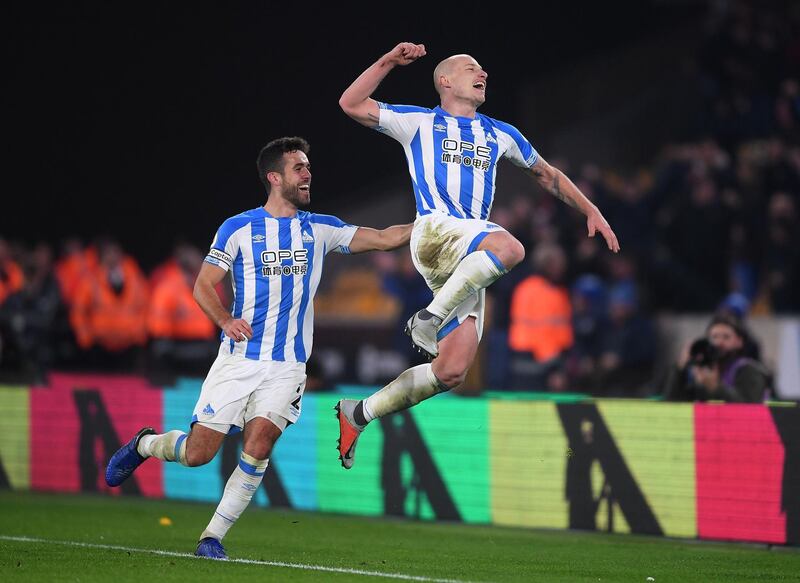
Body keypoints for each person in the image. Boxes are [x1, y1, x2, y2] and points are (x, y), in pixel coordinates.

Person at [104, 137, 412, 560]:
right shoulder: (238, 228)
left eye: (308, 166)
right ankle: (144, 444)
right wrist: (226, 320)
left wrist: (434, 225)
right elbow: (202, 285)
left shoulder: (319, 228)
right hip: (239, 361)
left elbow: (381, 238)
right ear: (274, 177)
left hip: (287, 366)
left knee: (260, 443)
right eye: (299, 168)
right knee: (198, 454)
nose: (308, 174)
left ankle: (211, 537)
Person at [335, 42, 620, 468]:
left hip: (467, 254)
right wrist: (390, 62)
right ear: (445, 81)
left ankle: (359, 413)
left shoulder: (500, 133)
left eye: (484, 68)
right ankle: (428, 319)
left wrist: (590, 208)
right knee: (511, 247)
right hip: (435, 232)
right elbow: (351, 103)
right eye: (471, 67)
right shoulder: (418, 122)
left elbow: (547, 173)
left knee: (451, 371)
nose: (481, 72)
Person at [662, 313, 771, 403]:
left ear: (739, 342)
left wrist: (715, 388)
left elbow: (750, 409)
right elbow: (672, 403)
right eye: (714, 337)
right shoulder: (704, 372)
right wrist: (680, 369)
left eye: (726, 337)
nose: (719, 342)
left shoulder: (749, 371)